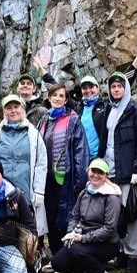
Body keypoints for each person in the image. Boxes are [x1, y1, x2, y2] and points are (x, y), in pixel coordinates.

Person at [98, 72, 137, 273]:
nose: (116, 90)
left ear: (126, 88)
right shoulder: (108, 110)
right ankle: (120, 253)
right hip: (110, 171)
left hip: (129, 173)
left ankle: (132, 256)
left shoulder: (136, 110)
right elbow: (105, 141)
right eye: (112, 87)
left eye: (119, 86)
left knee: (130, 214)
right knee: (114, 215)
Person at [50, 158, 121, 273]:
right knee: (57, 263)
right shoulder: (84, 193)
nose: (95, 175)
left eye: (100, 172)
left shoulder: (111, 198)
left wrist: (83, 239)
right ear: (88, 171)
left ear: (106, 175)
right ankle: (89, 269)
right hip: (83, 239)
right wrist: (71, 233)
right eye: (93, 171)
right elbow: (75, 216)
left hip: (107, 243)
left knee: (77, 251)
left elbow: (109, 228)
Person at [0, 95, 49, 240]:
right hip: (0, 192)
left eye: (16, 107)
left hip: (25, 191)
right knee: (2, 229)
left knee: (27, 231)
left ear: (22, 109)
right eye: (9, 108)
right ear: (4, 112)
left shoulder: (33, 134)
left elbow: (41, 162)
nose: (13, 111)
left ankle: (30, 259)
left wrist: (39, 190)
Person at [37, 84, 89, 253]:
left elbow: (80, 151)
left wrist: (79, 182)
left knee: (66, 217)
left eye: (61, 96)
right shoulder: (44, 120)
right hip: (47, 178)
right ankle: (55, 255)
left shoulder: (73, 120)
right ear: (49, 97)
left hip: (66, 178)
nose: (57, 98)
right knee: (50, 217)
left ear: (66, 100)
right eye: (54, 95)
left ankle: (66, 256)